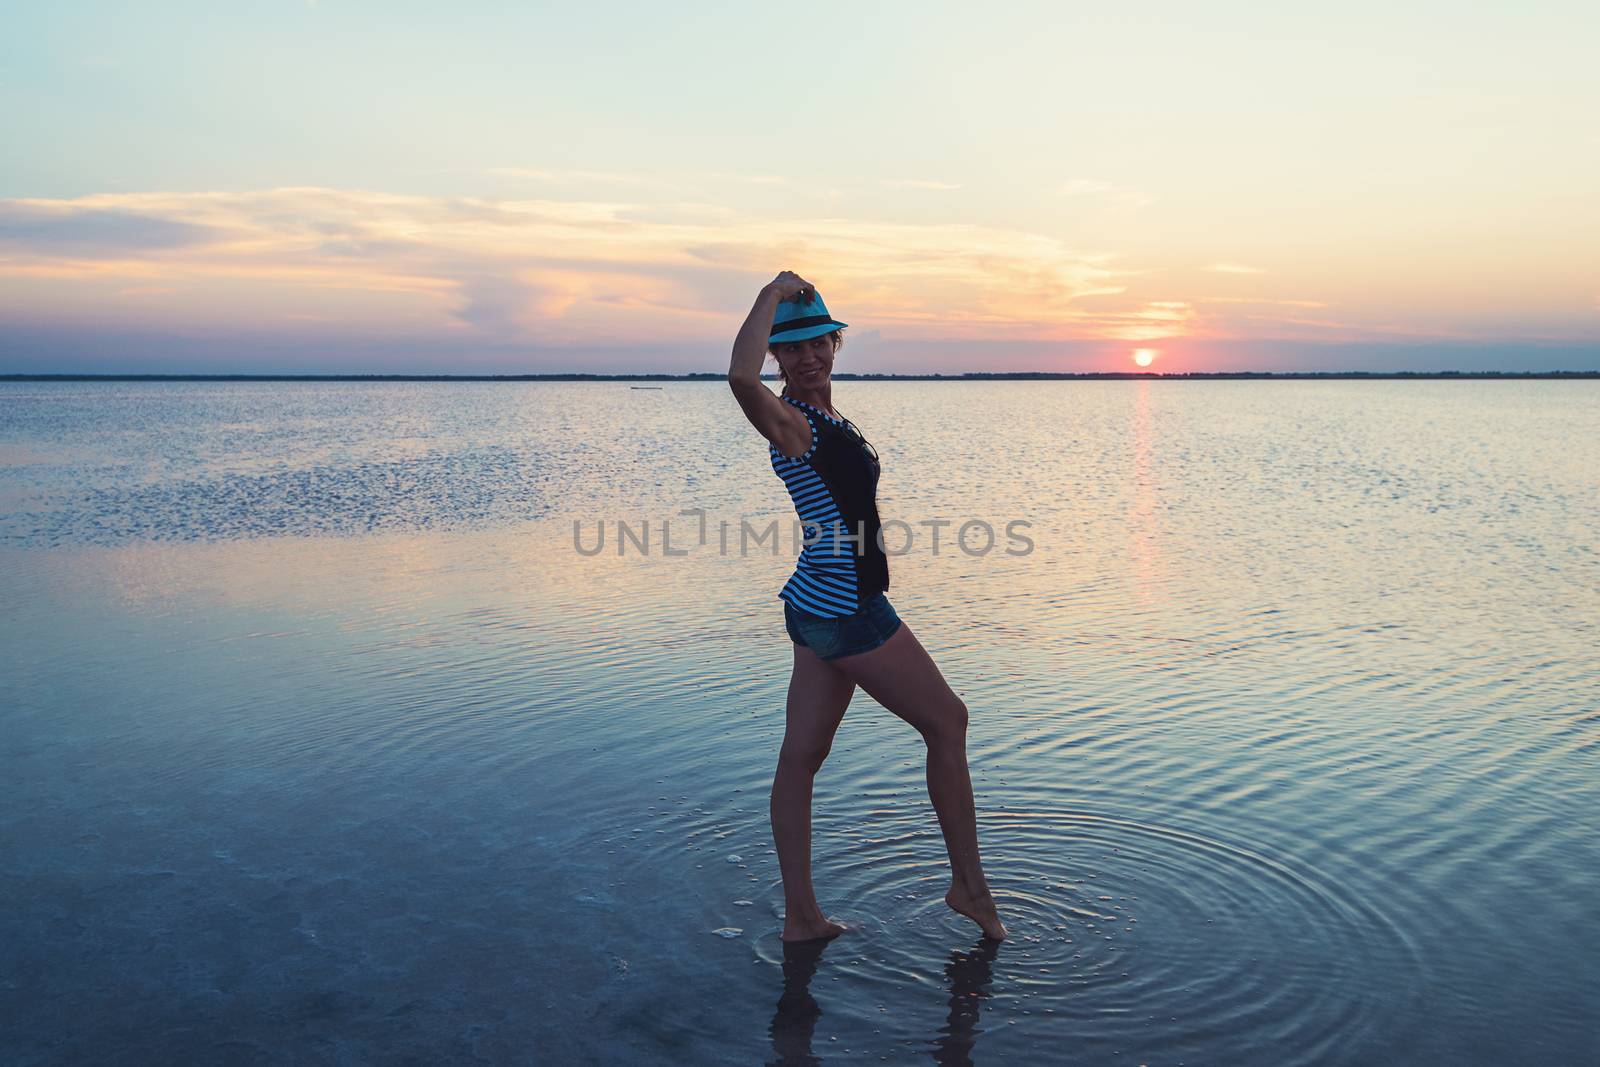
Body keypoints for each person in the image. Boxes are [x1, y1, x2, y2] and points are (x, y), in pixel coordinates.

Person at [727, 271, 1007, 943]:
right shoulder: (791, 421)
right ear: (777, 356)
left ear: (835, 342)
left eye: (818, 342)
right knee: (948, 721)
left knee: (800, 758)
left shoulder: (825, 417)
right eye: (790, 349)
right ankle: (968, 886)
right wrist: (769, 293)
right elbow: (739, 379)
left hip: (816, 604)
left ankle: (801, 918)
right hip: (846, 609)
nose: (808, 357)